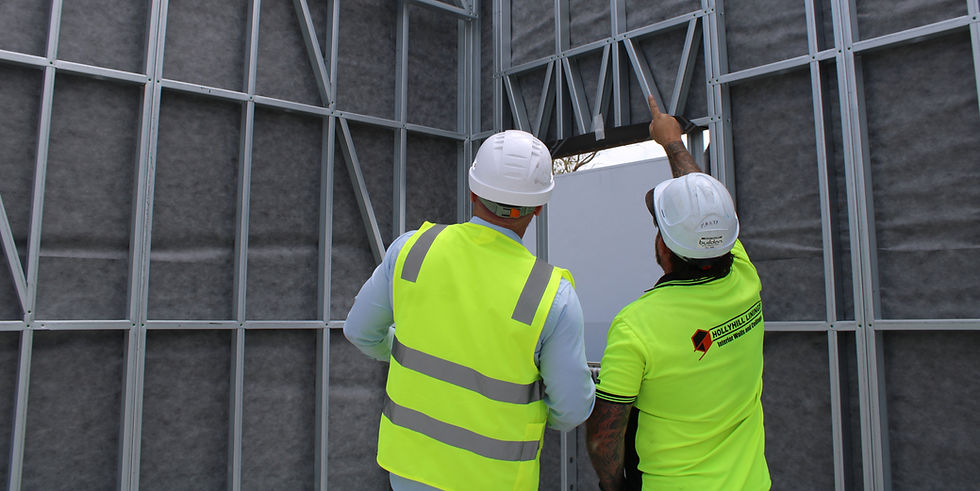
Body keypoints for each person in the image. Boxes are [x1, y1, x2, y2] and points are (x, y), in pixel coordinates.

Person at [344, 129, 595, 491]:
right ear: (539, 206)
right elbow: (572, 409)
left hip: (409, 469)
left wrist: (402, 348)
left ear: (473, 190)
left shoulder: (411, 251)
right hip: (498, 480)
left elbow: (360, 332)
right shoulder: (551, 295)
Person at [585, 96, 771, 491]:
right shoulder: (743, 275)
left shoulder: (637, 325)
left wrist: (612, 485)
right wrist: (673, 142)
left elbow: (604, 435)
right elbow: (709, 217)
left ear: (664, 248)